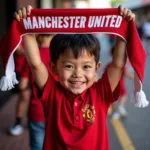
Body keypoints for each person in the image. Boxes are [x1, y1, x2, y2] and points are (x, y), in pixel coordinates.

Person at [14, 5, 135, 150]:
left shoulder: (100, 94)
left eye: (86, 67)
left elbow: (117, 65)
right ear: (53, 68)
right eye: (69, 66)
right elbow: (35, 64)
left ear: (96, 69)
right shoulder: (51, 93)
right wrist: (27, 26)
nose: (78, 74)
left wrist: (122, 28)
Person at [21, 34, 56, 150]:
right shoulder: (61, 56)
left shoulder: (31, 58)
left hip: (36, 111)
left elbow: (22, 84)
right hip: (57, 112)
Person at [9, 44, 31, 136]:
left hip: (35, 68)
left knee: (37, 96)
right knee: (24, 97)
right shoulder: (16, 33)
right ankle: (18, 122)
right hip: (20, 70)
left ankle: (32, 120)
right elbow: (18, 50)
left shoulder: (35, 34)